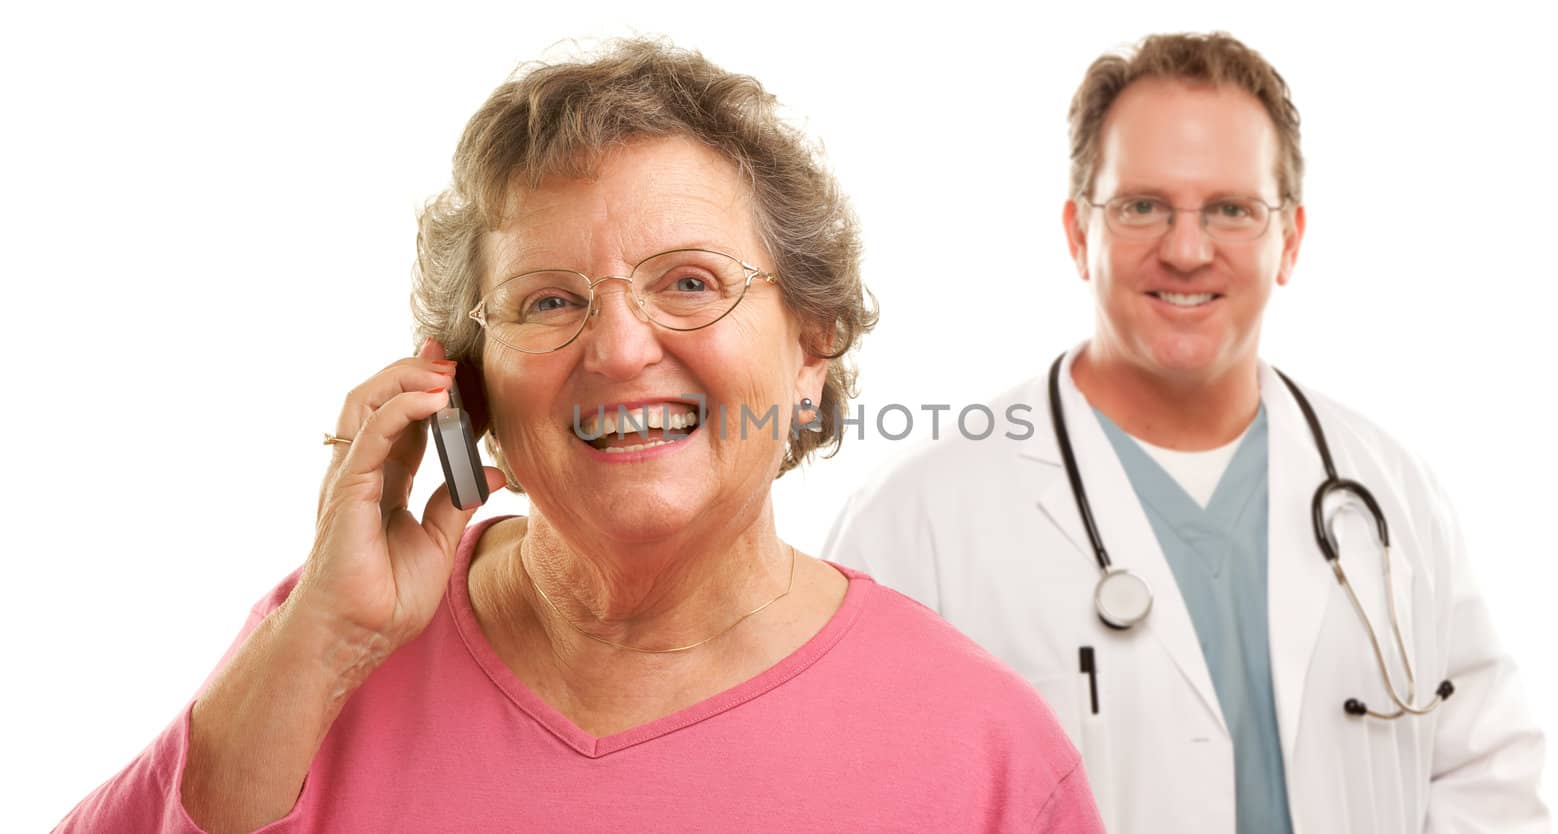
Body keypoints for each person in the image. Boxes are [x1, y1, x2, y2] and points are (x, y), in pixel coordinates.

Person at [54, 40, 1104, 833]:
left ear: (809, 353)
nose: (618, 347)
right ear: (466, 389)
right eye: (548, 302)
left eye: (689, 282)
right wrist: (323, 643)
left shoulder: (983, 751)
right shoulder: (322, 643)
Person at [825, 32, 1546, 834]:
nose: (1188, 250)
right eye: (1142, 206)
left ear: (1291, 240)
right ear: (1077, 233)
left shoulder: (1390, 491)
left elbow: (1489, 776)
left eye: (1232, 210)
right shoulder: (917, 520)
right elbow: (857, 800)